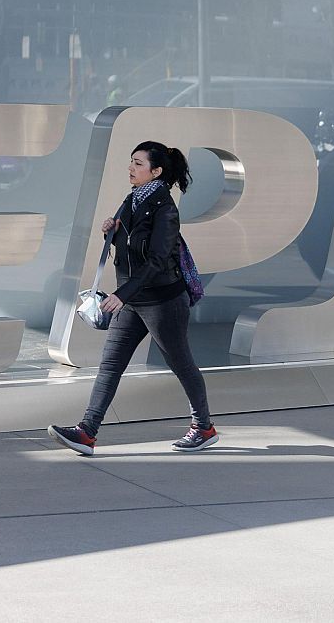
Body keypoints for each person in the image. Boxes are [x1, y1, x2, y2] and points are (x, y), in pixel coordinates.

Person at [48, 141, 217, 456]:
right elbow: (133, 248)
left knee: (181, 363)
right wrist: (112, 231)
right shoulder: (132, 201)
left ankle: (203, 427)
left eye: (138, 164)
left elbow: (156, 260)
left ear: (156, 171)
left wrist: (121, 295)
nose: (131, 168)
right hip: (132, 300)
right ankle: (87, 432)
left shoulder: (165, 209)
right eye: (131, 162)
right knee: (110, 365)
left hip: (163, 301)